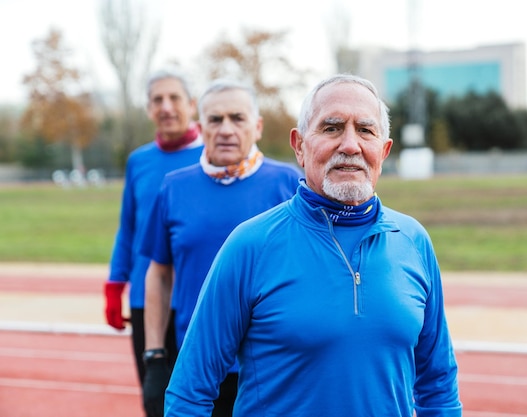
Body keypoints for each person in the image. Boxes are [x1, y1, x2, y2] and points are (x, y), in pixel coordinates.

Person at [164, 74, 462, 417]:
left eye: (365, 130)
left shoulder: (414, 242)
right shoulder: (249, 246)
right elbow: (188, 394)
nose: (350, 145)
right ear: (299, 146)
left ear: (384, 150)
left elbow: (439, 388)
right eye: (332, 128)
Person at [140, 78, 301, 417]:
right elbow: (159, 274)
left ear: (256, 127)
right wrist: (154, 356)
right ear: (200, 127)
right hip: (199, 367)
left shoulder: (290, 184)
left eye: (237, 118)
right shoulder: (173, 188)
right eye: (215, 120)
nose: (226, 129)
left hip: (273, 368)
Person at [103, 68, 203, 391]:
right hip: (146, 300)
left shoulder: (212, 156)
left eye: (174, 98)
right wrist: (115, 285)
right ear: (148, 109)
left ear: (192, 104)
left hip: (195, 297)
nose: (166, 107)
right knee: (154, 398)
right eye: (157, 100)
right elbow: (128, 228)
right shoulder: (138, 161)